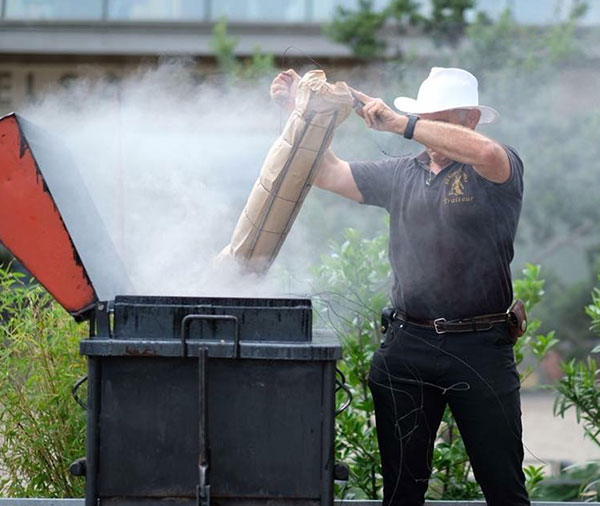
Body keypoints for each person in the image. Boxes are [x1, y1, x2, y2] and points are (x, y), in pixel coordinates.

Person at [270, 66, 529, 506]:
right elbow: (327, 172)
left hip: (480, 347)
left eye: (439, 119)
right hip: (408, 344)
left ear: (468, 119)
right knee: (401, 494)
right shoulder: (401, 174)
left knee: (504, 489)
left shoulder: (495, 166)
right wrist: (298, 113)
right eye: (424, 117)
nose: (428, 129)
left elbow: (485, 152)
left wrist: (401, 123)